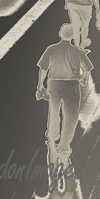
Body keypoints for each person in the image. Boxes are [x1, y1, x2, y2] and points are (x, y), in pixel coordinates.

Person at [36, 23, 94, 167]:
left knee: (54, 110)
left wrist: (40, 85)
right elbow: (87, 69)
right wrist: (84, 78)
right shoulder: (77, 51)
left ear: (60, 34)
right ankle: (64, 145)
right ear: (73, 36)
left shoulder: (51, 49)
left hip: (54, 84)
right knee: (71, 116)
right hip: (71, 85)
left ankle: (53, 134)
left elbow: (43, 69)